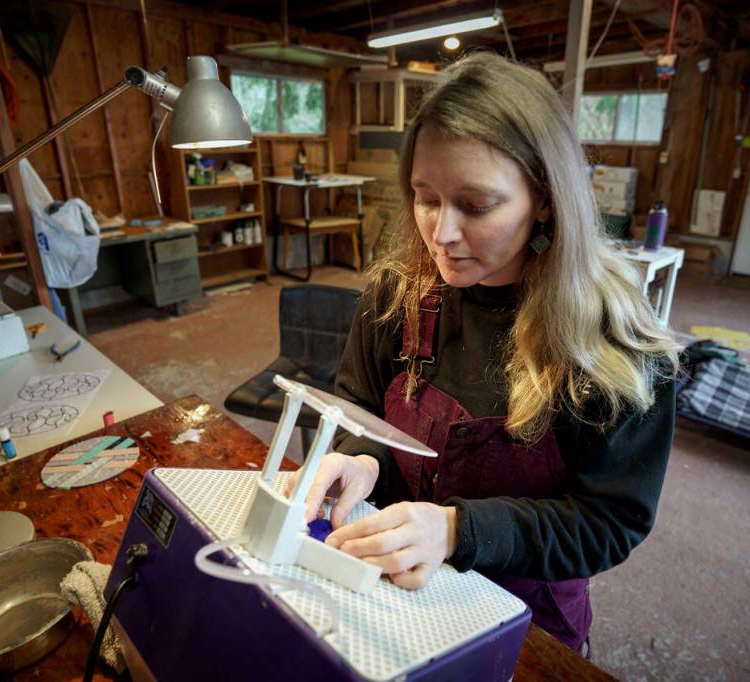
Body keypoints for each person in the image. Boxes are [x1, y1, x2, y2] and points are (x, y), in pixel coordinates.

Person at [286, 51, 680, 653]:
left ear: (545, 198)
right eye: (425, 197)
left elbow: (611, 521)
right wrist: (361, 459)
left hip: (526, 620)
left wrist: (456, 529)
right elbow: (358, 401)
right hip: (391, 585)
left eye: (476, 205)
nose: (441, 233)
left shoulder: (615, 343)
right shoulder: (398, 295)